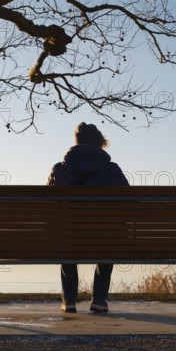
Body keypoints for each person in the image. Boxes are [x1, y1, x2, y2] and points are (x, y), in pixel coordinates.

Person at [47, 122, 129, 313]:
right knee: (109, 242)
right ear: (99, 144)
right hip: (104, 238)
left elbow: (49, 207)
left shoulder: (59, 169)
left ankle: (69, 301)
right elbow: (129, 203)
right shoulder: (112, 170)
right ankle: (99, 300)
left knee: (66, 240)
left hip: (69, 238)